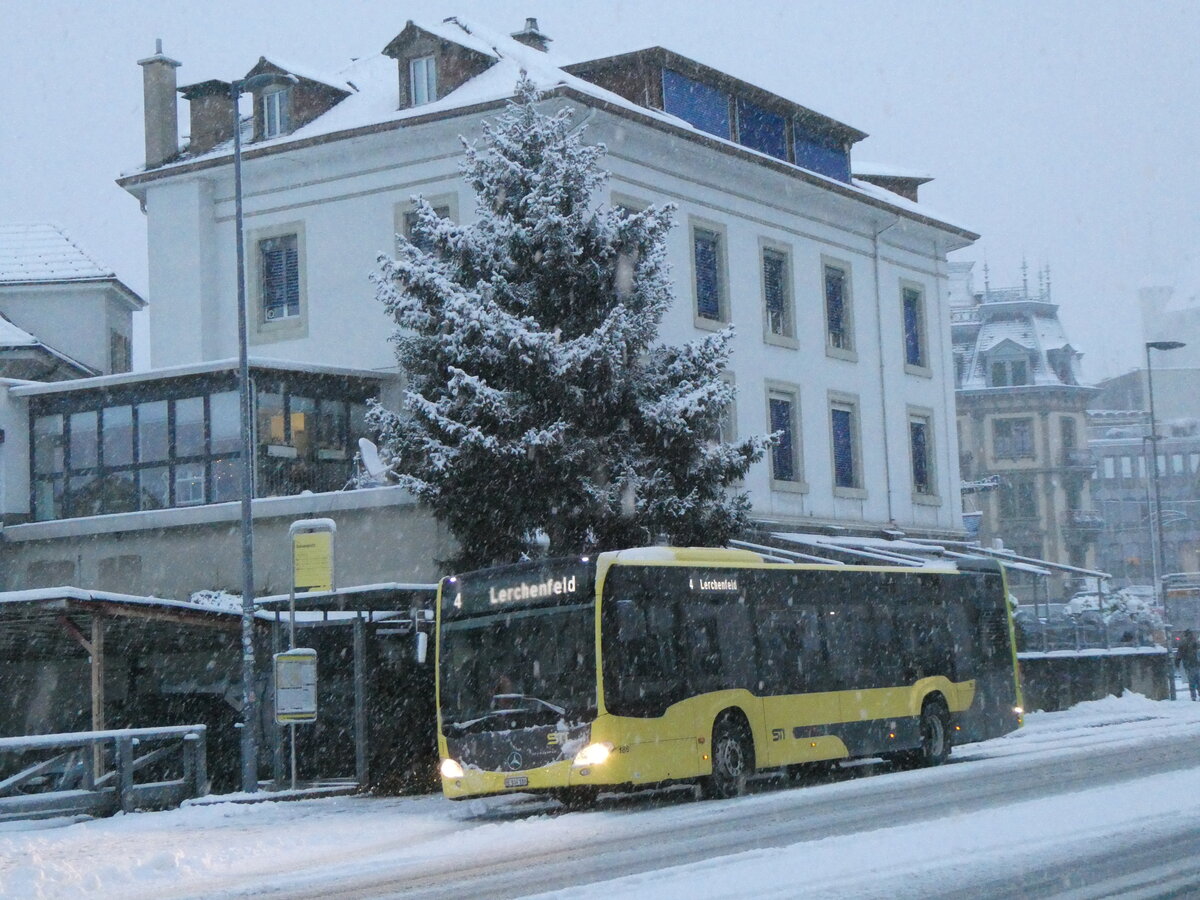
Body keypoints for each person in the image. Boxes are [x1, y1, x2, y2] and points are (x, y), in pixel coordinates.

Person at [1178, 630, 1200, 701]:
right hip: (1196, 664)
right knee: (1198, 680)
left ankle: (1193, 696)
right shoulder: (1195, 642)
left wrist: (1177, 663)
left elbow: (1179, 655)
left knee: (1191, 681)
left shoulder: (1183, 643)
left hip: (1188, 664)